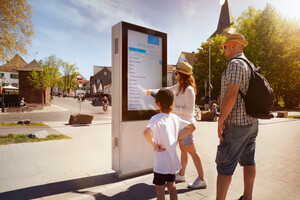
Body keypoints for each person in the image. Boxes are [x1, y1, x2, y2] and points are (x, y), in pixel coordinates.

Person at [145, 61, 207, 189]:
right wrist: (151, 92)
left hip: (187, 126)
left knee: (193, 152)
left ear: (181, 74)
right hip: (180, 125)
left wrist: (172, 108)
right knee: (183, 150)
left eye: (176, 72)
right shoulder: (179, 86)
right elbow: (166, 90)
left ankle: (202, 179)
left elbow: (190, 110)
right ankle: (182, 174)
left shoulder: (189, 90)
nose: (175, 74)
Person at [216, 34, 259, 200]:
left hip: (236, 124)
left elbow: (231, 95)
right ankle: (247, 197)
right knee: (249, 161)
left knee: (225, 165)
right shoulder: (250, 65)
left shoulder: (234, 63)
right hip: (252, 122)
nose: (224, 50)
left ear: (233, 45)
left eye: (225, 46)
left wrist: (220, 121)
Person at [143, 88, 196, 200]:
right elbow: (192, 127)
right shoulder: (175, 118)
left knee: (160, 189)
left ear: (157, 104)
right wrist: (177, 138)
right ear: (173, 103)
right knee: (172, 186)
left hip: (160, 163)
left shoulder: (155, 118)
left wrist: (155, 146)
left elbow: (146, 133)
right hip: (172, 161)